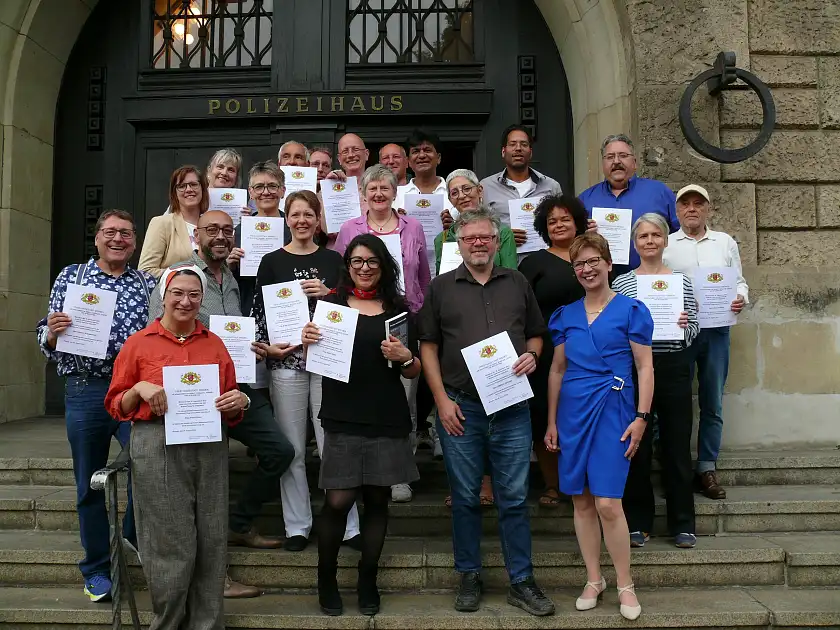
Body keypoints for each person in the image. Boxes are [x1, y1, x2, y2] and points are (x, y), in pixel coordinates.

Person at [146, 210, 296, 598]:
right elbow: (155, 334)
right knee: (199, 485)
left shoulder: (230, 277)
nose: (221, 236)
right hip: (192, 396)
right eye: (212, 229)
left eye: (227, 231)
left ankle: (239, 523)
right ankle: (211, 577)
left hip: (236, 390)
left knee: (280, 451)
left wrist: (256, 349)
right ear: (197, 233)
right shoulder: (180, 277)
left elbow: (233, 336)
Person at [418, 206, 554, 617]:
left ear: (497, 242)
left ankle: (522, 581)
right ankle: (469, 576)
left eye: (485, 237)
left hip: (511, 406)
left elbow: (536, 334)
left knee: (513, 497)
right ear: (456, 244)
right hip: (460, 406)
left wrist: (532, 354)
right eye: (469, 238)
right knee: (464, 497)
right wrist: (441, 401)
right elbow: (428, 346)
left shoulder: (517, 281)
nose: (478, 243)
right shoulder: (441, 287)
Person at [105, 263, 248, 630]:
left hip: (209, 443)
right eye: (178, 293)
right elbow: (115, 404)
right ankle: (169, 622)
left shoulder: (214, 343)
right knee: (168, 539)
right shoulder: (139, 343)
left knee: (213, 535)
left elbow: (232, 395)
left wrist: (240, 401)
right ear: (163, 296)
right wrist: (138, 389)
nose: (186, 301)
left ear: (202, 299)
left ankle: (207, 623)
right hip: (156, 443)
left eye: (194, 294)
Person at [36, 210, 155, 602]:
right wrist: (53, 334)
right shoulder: (73, 277)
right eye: (110, 232)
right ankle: (97, 569)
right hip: (87, 389)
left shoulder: (146, 283)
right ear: (98, 238)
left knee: (147, 464)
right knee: (89, 482)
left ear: (135, 241)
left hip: (131, 390)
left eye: (125, 233)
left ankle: (130, 535)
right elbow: (44, 335)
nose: (118, 239)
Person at [302, 234, 421, 617]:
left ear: (384, 265)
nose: (364, 268)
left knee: (377, 501)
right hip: (342, 413)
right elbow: (315, 357)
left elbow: (414, 368)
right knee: (337, 501)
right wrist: (308, 339)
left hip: (386, 414)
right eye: (357, 261)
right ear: (347, 266)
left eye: (371, 261)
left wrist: (405, 357)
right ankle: (326, 578)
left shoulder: (398, 310)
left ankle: (368, 579)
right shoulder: (331, 305)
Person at [544, 232, 653, 621]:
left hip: (615, 409)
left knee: (608, 501)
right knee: (581, 500)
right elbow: (557, 369)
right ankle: (594, 578)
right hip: (573, 410)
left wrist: (641, 417)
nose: (587, 269)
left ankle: (625, 582)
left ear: (608, 264)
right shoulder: (565, 314)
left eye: (593, 261)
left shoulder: (631, 309)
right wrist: (552, 420)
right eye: (579, 264)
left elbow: (645, 366)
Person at [251, 190, 361, 551]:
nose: (301, 221)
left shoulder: (335, 259)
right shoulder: (270, 261)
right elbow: (259, 314)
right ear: (287, 220)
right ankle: (297, 526)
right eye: (295, 214)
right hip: (288, 360)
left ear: (318, 220)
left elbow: (356, 306)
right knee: (294, 448)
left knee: (334, 443)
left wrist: (329, 292)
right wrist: (268, 348)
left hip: (328, 359)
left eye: (308, 215)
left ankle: (348, 526)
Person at [334, 164, 431, 503]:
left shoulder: (413, 225)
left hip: (402, 313)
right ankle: (360, 469)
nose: (378, 194)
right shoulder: (350, 228)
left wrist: (420, 312)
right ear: (363, 193)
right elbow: (341, 272)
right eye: (372, 188)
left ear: (394, 192)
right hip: (360, 316)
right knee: (368, 391)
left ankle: (399, 475)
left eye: (384, 188)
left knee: (406, 395)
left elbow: (422, 275)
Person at [612, 213, 699, 550]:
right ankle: (638, 523)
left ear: (665, 240)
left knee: (677, 444)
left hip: (674, 364)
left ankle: (682, 523)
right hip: (635, 368)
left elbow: (695, 329)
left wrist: (683, 323)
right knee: (637, 445)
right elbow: (617, 331)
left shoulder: (682, 282)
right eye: (643, 236)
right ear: (635, 244)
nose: (649, 241)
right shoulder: (622, 284)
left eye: (655, 235)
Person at [663, 185, 749, 500]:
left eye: (698, 204)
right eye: (686, 204)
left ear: (708, 209)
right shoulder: (666, 245)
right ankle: (676, 466)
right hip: (681, 332)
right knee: (676, 400)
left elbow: (738, 281)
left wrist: (741, 297)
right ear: (677, 210)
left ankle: (706, 467)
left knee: (712, 399)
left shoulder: (724, 242)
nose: (692, 209)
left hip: (716, 332)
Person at [518, 194, 587, 506]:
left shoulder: (593, 258)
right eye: (552, 221)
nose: (559, 225)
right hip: (546, 354)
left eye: (565, 219)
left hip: (589, 352)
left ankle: (582, 482)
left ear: (578, 222)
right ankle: (553, 484)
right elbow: (521, 311)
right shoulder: (533, 263)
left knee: (581, 415)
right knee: (546, 415)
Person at [579, 133, 680, 275]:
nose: (616, 161)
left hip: (652, 280)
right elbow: (572, 244)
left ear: (635, 162)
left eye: (623, 155)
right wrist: (584, 235)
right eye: (610, 157)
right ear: (603, 164)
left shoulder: (659, 192)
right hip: (600, 282)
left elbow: (679, 234)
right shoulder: (585, 199)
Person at [477, 124, 562, 247]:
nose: (518, 148)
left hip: (544, 258)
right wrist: (503, 236)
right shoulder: (485, 187)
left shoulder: (551, 186)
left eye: (524, 144)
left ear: (530, 152)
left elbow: (562, 222)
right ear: (503, 151)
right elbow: (478, 225)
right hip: (502, 260)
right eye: (512, 144)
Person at [228, 161, 292, 315]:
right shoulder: (239, 231)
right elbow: (233, 283)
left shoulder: (295, 227)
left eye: (272, 186)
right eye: (259, 187)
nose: (265, 192)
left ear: (282, 191)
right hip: (250, 306)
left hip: (288, 307)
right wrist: (230, 266)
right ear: (251, 192)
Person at [434, 169, 517, 274]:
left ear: (480, 190)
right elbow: (440, 284)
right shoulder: (442, 239)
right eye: (454, 193)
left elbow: (510, 278)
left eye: (466, 189)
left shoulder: (502, 232)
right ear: (450, 200)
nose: (462, 196)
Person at [140, 165, 209, 278]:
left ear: (202, 188)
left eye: (194, 184)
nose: (189, 190)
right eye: (181, 186)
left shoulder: (210, 225)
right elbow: (145, 271)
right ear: (174, 193)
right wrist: (185, 274)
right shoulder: (162, 223)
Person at [394, 130, 456, 223]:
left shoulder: (454, 192)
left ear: (438, 158)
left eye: (427, 150)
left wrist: (453, 227)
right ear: (409, 161)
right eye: (416, 151)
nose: (422, 155)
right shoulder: (396, 194)